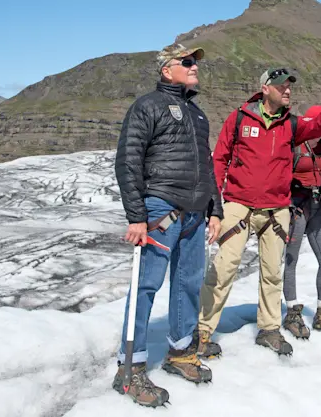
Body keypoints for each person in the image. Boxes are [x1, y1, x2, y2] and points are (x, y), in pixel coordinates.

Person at [198, 65, 321, 357]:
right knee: (224, 269)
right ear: (265, 88)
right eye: (282, 85)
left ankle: (270, 329)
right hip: (239, 204)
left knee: (272, 272)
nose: (287, 90)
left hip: (276, 209)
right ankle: (201, 331)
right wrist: (215, 204)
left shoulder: (293, 125)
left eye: (289, 86)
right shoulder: (239, 119)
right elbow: (220, 158)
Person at [112, 43, 223, 407]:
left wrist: (215, 209)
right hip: (160, 209)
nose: (194, 67)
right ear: (166, 70)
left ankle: (179, 351)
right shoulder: (148, 106)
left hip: (194, 211)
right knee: (145, 285)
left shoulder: (198, 114)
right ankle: (131, 367)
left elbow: (207, 166)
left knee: (188, 283)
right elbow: (128, 160)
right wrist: (136, 216)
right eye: (187, 62)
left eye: (195, 63)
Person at [281, 105, 321, 339]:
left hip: (318, 208)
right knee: (291, 259)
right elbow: (280, 174)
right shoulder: (296, 144)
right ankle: (292, 311)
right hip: (297, 207)